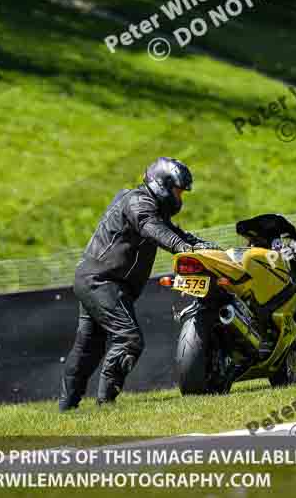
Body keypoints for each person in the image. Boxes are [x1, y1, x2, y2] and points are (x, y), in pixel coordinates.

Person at [59, 157, 218, 411]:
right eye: (178, 191)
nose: (180, 198)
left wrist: (201, 246)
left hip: (99, 280)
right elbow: (152, 227)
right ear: (162, 185)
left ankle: (67, 408)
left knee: (89, 346)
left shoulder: (150, 206)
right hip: (102, 281)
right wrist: (183, 249)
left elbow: (172, 231)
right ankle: (106, 404)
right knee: (128, 339)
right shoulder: (137, 201)